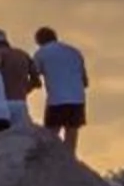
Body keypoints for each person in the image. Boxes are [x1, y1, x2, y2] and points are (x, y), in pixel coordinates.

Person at [33, 26, 90, 158]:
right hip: (77, 98)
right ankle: (69, 159)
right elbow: (85, 82)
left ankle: (51, 159)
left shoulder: (41, 53)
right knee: (72, 131)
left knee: (51, 133)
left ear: (39, 41)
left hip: (56, 99)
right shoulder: (74, 52)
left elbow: (34, 75)